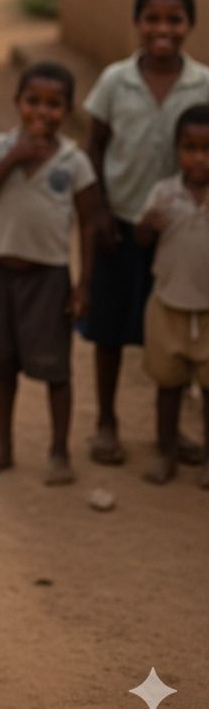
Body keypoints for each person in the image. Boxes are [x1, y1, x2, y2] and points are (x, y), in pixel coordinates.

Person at [82, 0, 209, 465]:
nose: (162, 29)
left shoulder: (202, 83)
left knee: (181, 328)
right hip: (121, 222)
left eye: (173, 19)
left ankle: (172, 434)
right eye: (152, 19)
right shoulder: (116, 80)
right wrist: (98, 213)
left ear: (189, 25)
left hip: (179, 231)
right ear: (137, 24)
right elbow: (94, 144)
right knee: (110, 328)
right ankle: (107, 423)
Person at [0, 62, 98, 484]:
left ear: (68, 109)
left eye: (54, 104)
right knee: (3, 366)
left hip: (49, 280)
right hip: (2, 276)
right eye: (33, 102)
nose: (42, 112)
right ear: (18, 103)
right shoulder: (0, 146)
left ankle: (59, 452)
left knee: (55, 369)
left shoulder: (74, 160)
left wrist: (83, 285)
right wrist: (15, 155)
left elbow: (89, 223)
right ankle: (4, 445)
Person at [134, 105, 209, 487]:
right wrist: (148, 225)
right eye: (190, 147)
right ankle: (165, 452)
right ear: (177, 150)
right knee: (168, 386)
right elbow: (141, 239)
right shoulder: (165, 193)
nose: (198, 157)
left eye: (206, 148)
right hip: (167, 305)